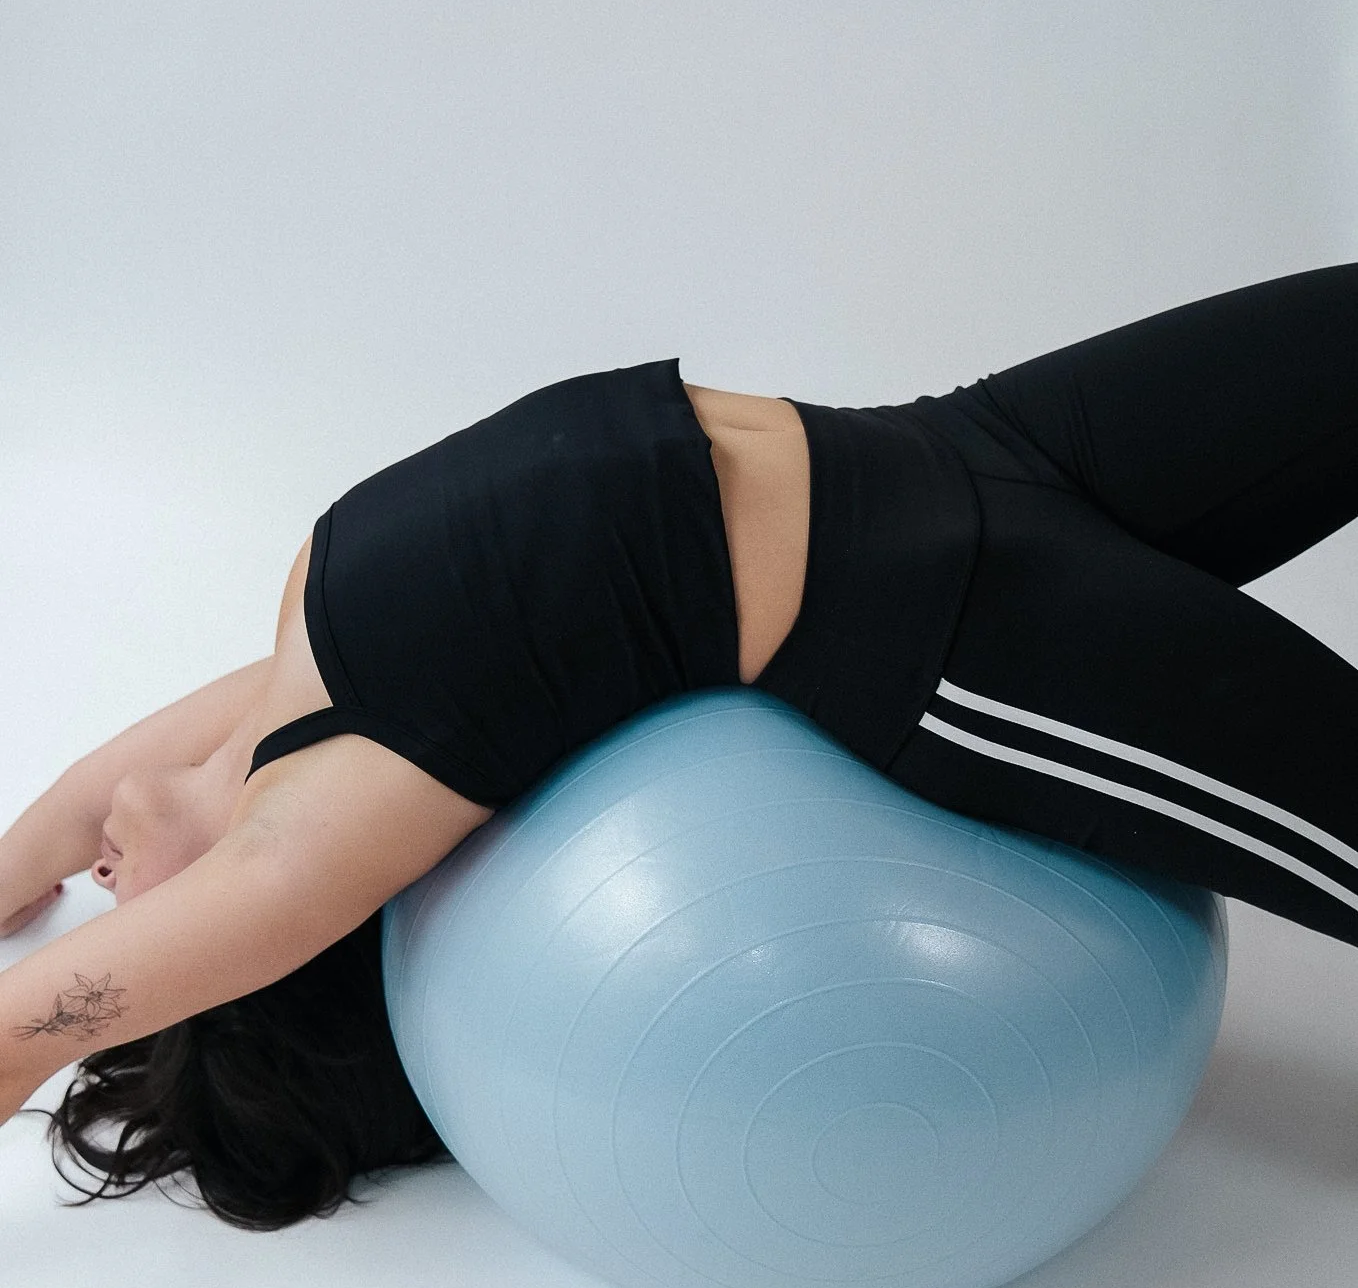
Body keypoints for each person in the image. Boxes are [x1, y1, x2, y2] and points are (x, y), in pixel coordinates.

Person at [2, 261, 1357, 1229]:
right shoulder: (327, 816)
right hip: (963, 632)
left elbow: (66, 812)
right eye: (134, 942)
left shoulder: (278, 698)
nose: (103, 893)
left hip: (960, 444)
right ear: (240, 967)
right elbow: (20, 1034)